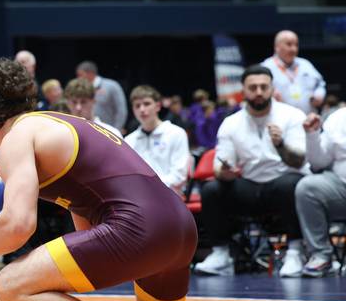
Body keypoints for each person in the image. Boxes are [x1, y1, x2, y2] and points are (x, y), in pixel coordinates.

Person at [0, 58, 324, 301]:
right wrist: (37, 297)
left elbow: (18, 223)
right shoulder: (58, 123)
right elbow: (86, 228)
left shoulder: (18, 136)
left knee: (7, 283)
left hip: (138, 226)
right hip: (176, 225)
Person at [195, 65, 308, 277]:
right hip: (250, 185)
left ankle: (295, 251)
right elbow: (220, 165)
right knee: (212, 189)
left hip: (283, 181)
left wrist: (281, 144)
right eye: (253, 87)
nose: (258, 92)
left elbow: (299, 161)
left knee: (292, 184)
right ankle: (221, 254)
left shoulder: (292, 115)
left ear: (272, 89)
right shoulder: (231, 123)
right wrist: (225, 172)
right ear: (244, 91)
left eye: (264, 87)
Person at [294, 107, 346, 277]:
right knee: (308, 187)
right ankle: (321, 255)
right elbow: (318, 163)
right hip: (341, 187)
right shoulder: (338, 118)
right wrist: (312, 135)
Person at [125, 85, 190, 196]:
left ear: (158, 106)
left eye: (146, 104)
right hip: (138, 197)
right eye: (137, 106)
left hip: (170, 195)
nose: (142, 109)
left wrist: (150, 188)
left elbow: (179, 176)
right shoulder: (128, 140)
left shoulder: (176, 133)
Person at [261, 30, 325, 115]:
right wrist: (269, 95)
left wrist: (319, 94)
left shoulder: (305, 64)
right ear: (277, 47)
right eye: (289, 44)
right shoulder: (266, 67)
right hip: (280, 118)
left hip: (308, 117)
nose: (293, 49)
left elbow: (320, 84)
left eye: (296, 45)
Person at [75, 60, 127, 131]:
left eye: (80, 75)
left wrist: (115, 130)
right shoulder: (80, 89)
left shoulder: (111, 86)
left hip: (109, 130)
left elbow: (121, 111)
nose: (78, 78)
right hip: (85, 129)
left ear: (90, 73)